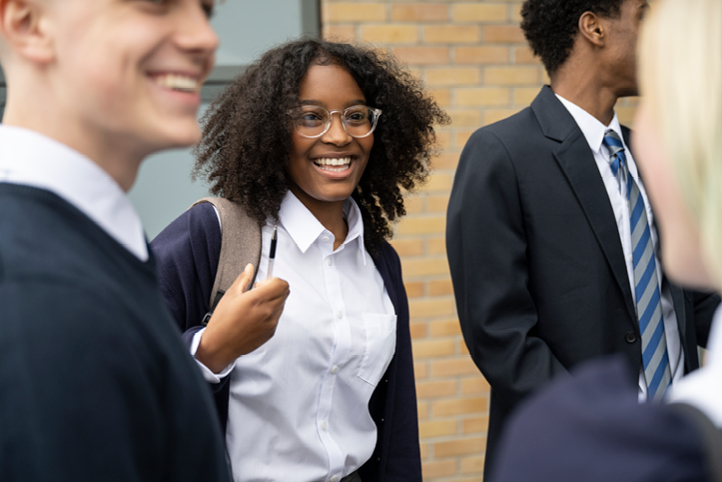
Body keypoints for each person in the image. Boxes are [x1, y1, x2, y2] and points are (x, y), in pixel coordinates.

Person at [151, 38, 449, 482]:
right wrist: (211, 350)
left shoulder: (378, 260)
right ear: (272, 130)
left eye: (356, 116)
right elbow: (115, 371)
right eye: (311, 117)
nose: (339, 136)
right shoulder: (213, 236)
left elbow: (396, 421)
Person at [446, 0, 720, 476]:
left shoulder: (652, 152)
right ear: (593, 27)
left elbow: (694, 299)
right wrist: (610, 431)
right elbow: (502, 337)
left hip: (685, 450)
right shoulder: (502, 155)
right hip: (580, 457)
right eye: (644, 15)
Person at [0, 0, 233, 481]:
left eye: (206, 8)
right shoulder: (37, 289)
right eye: (156, 4)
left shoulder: (81, 245)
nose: (205, 38)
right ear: (28, 24)